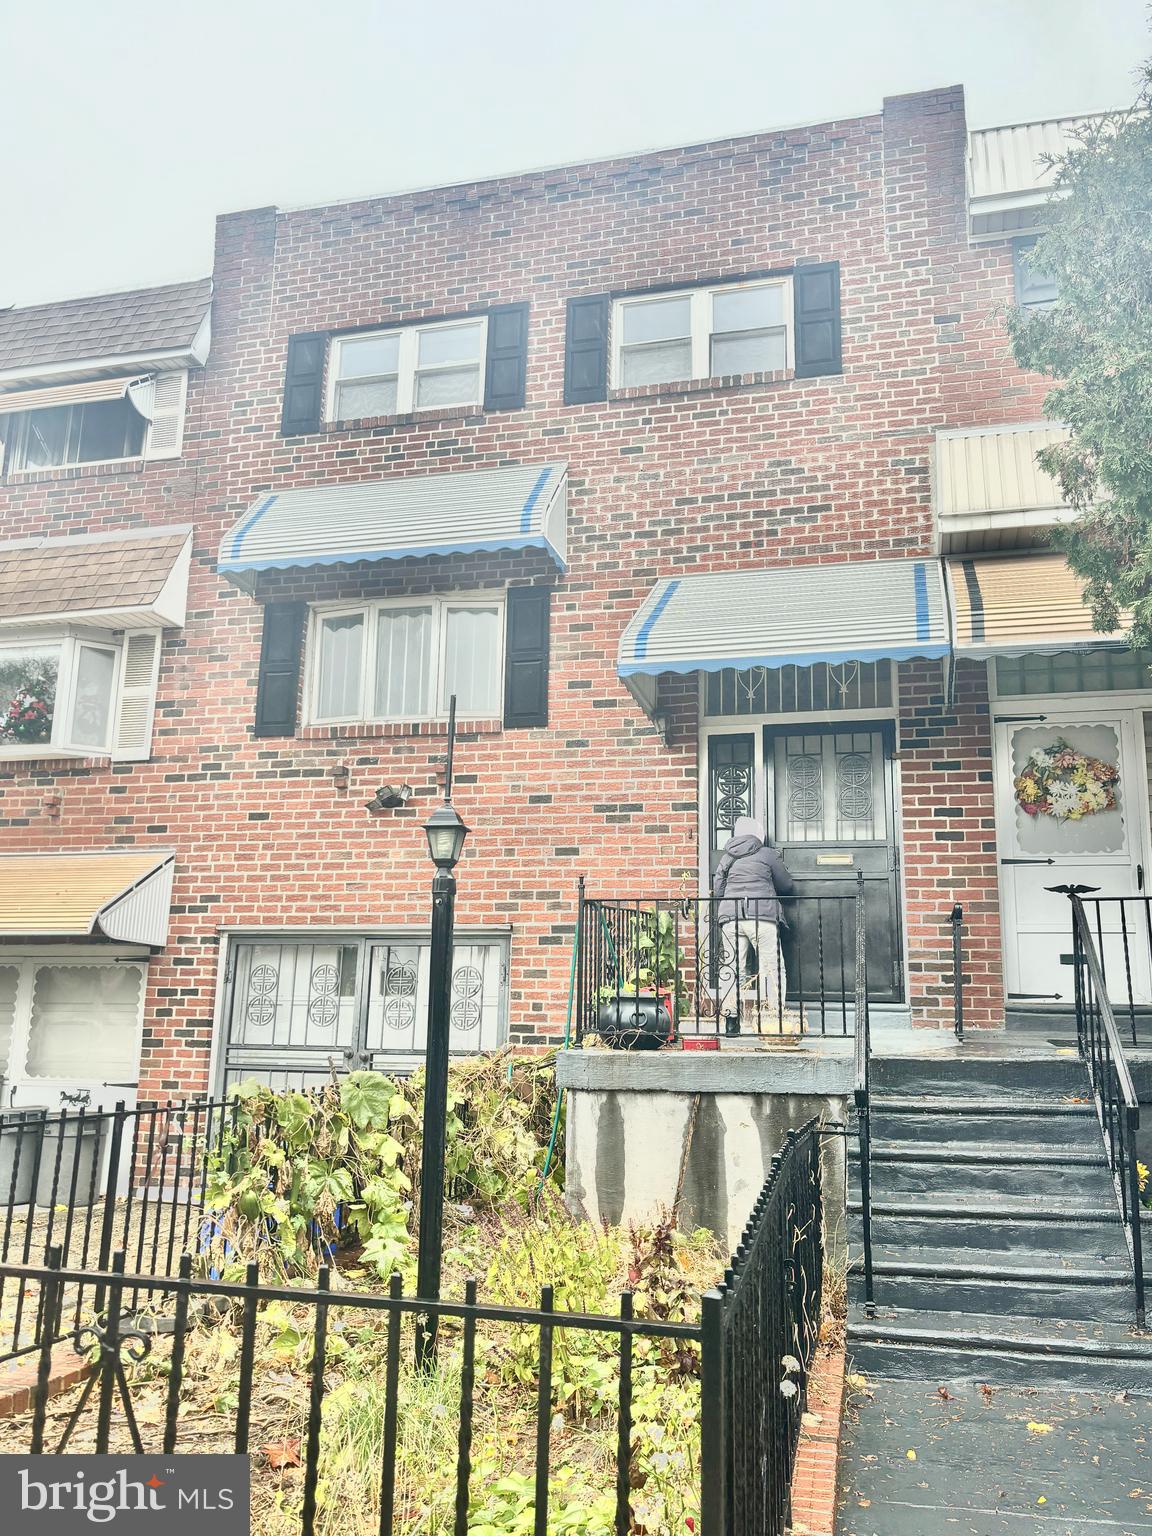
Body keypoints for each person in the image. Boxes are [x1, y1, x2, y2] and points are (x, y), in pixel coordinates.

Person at [712, 816, 796, 1036]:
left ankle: (731, 1021)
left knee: (733, 969)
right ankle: (774, 1017)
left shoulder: (727, 857)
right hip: (762, 916)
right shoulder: (767, 854)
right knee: (771, 968)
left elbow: (718, 889)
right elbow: (786, 885)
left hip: (731, 917)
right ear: (759, 834)